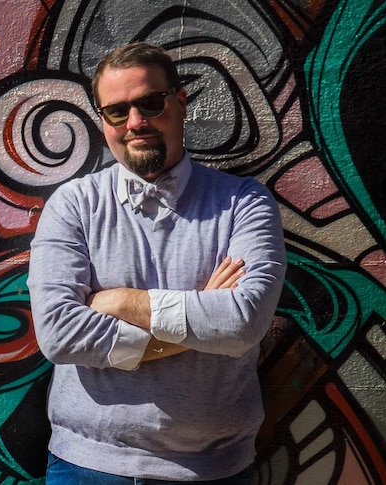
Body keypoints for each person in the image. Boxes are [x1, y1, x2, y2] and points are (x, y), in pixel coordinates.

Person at [27, 42, 286, 483]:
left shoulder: (244, 202)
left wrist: (118, 301)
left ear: (180, 101)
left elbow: (243, 322)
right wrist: (200, 316)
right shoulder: (73, 204)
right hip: (89, 466)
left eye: (150, 103)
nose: (135, 123)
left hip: (215, 469)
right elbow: (59, 335)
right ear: (102, 120)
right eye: (116, 111)